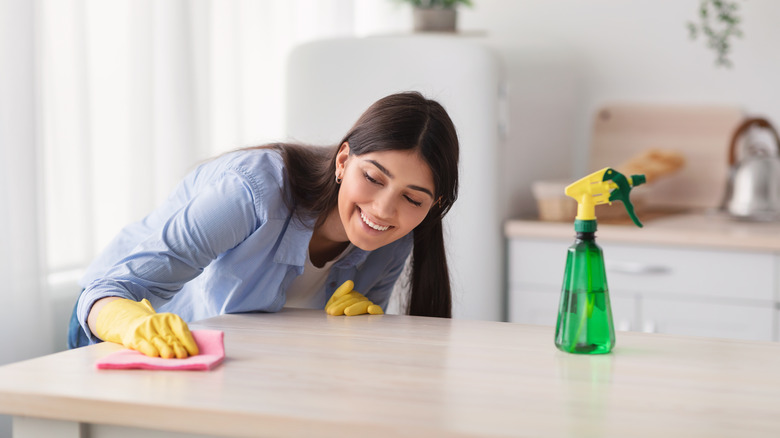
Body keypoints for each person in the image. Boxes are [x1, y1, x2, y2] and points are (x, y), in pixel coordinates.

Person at [68, 91, 460, 358]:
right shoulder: (252, 192)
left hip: (234, 365)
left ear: (433, 204)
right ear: (343, 161)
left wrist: (349, 327)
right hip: (111, 324)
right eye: (373, 178)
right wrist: (133, 325)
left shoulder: (395, 241)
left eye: (412, 198)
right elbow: (112, 288)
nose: (384, 209)